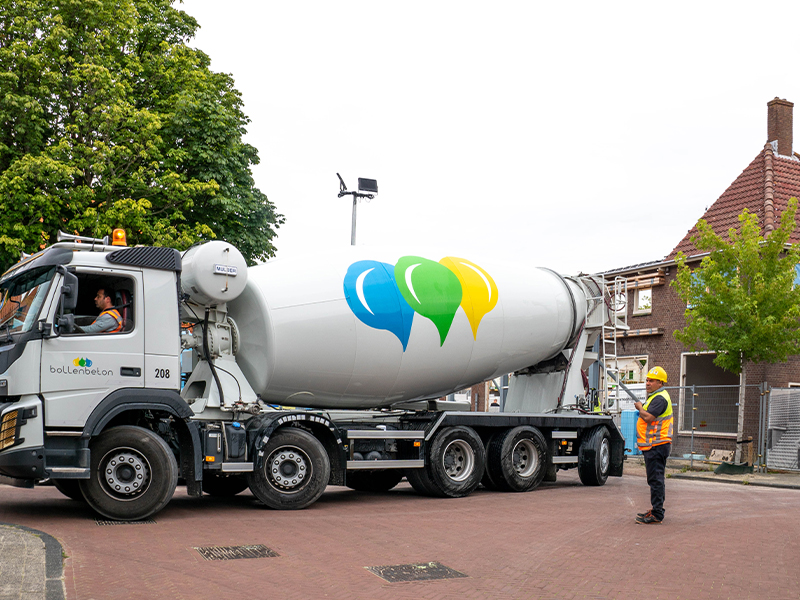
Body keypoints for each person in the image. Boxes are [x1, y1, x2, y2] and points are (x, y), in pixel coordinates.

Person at [634, 366, 673, 524]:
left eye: (652, 381)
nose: (648, 383)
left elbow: (649, 418)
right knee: (655, 479)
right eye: (647, 380)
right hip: (654, 445)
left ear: (660, 383)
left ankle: (657, 513)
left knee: (656, 479)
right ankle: (656, 510)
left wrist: (639, 408)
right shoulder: (656, 396)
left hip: (656, 444)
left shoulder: (659, 399)